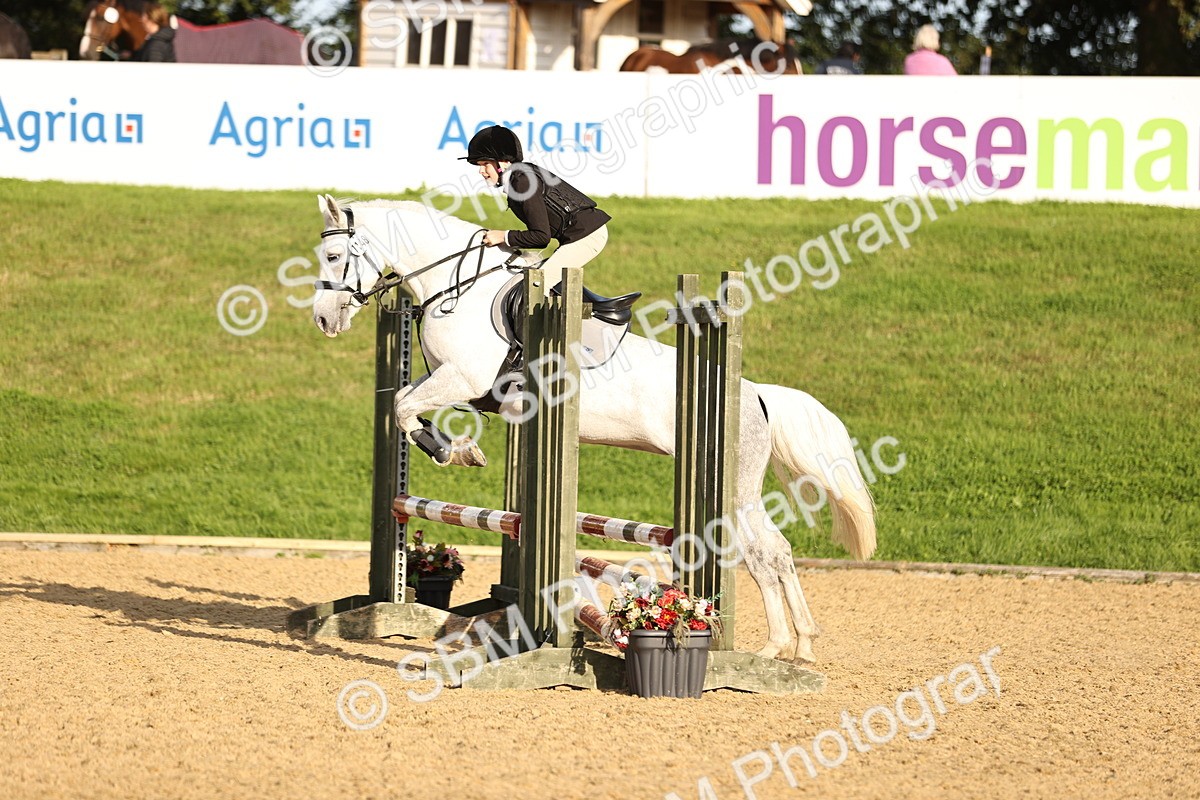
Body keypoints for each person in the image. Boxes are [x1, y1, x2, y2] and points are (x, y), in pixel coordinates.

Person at [463, 125, 611, 290]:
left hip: (587, 236)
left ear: (503, 162)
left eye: (485, 164)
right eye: (479, 166)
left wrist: (503, 236)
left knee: (536, 287)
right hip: (580, 234)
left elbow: (541, 237)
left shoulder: (522, 182)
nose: (481, 171)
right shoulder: (519, 177)